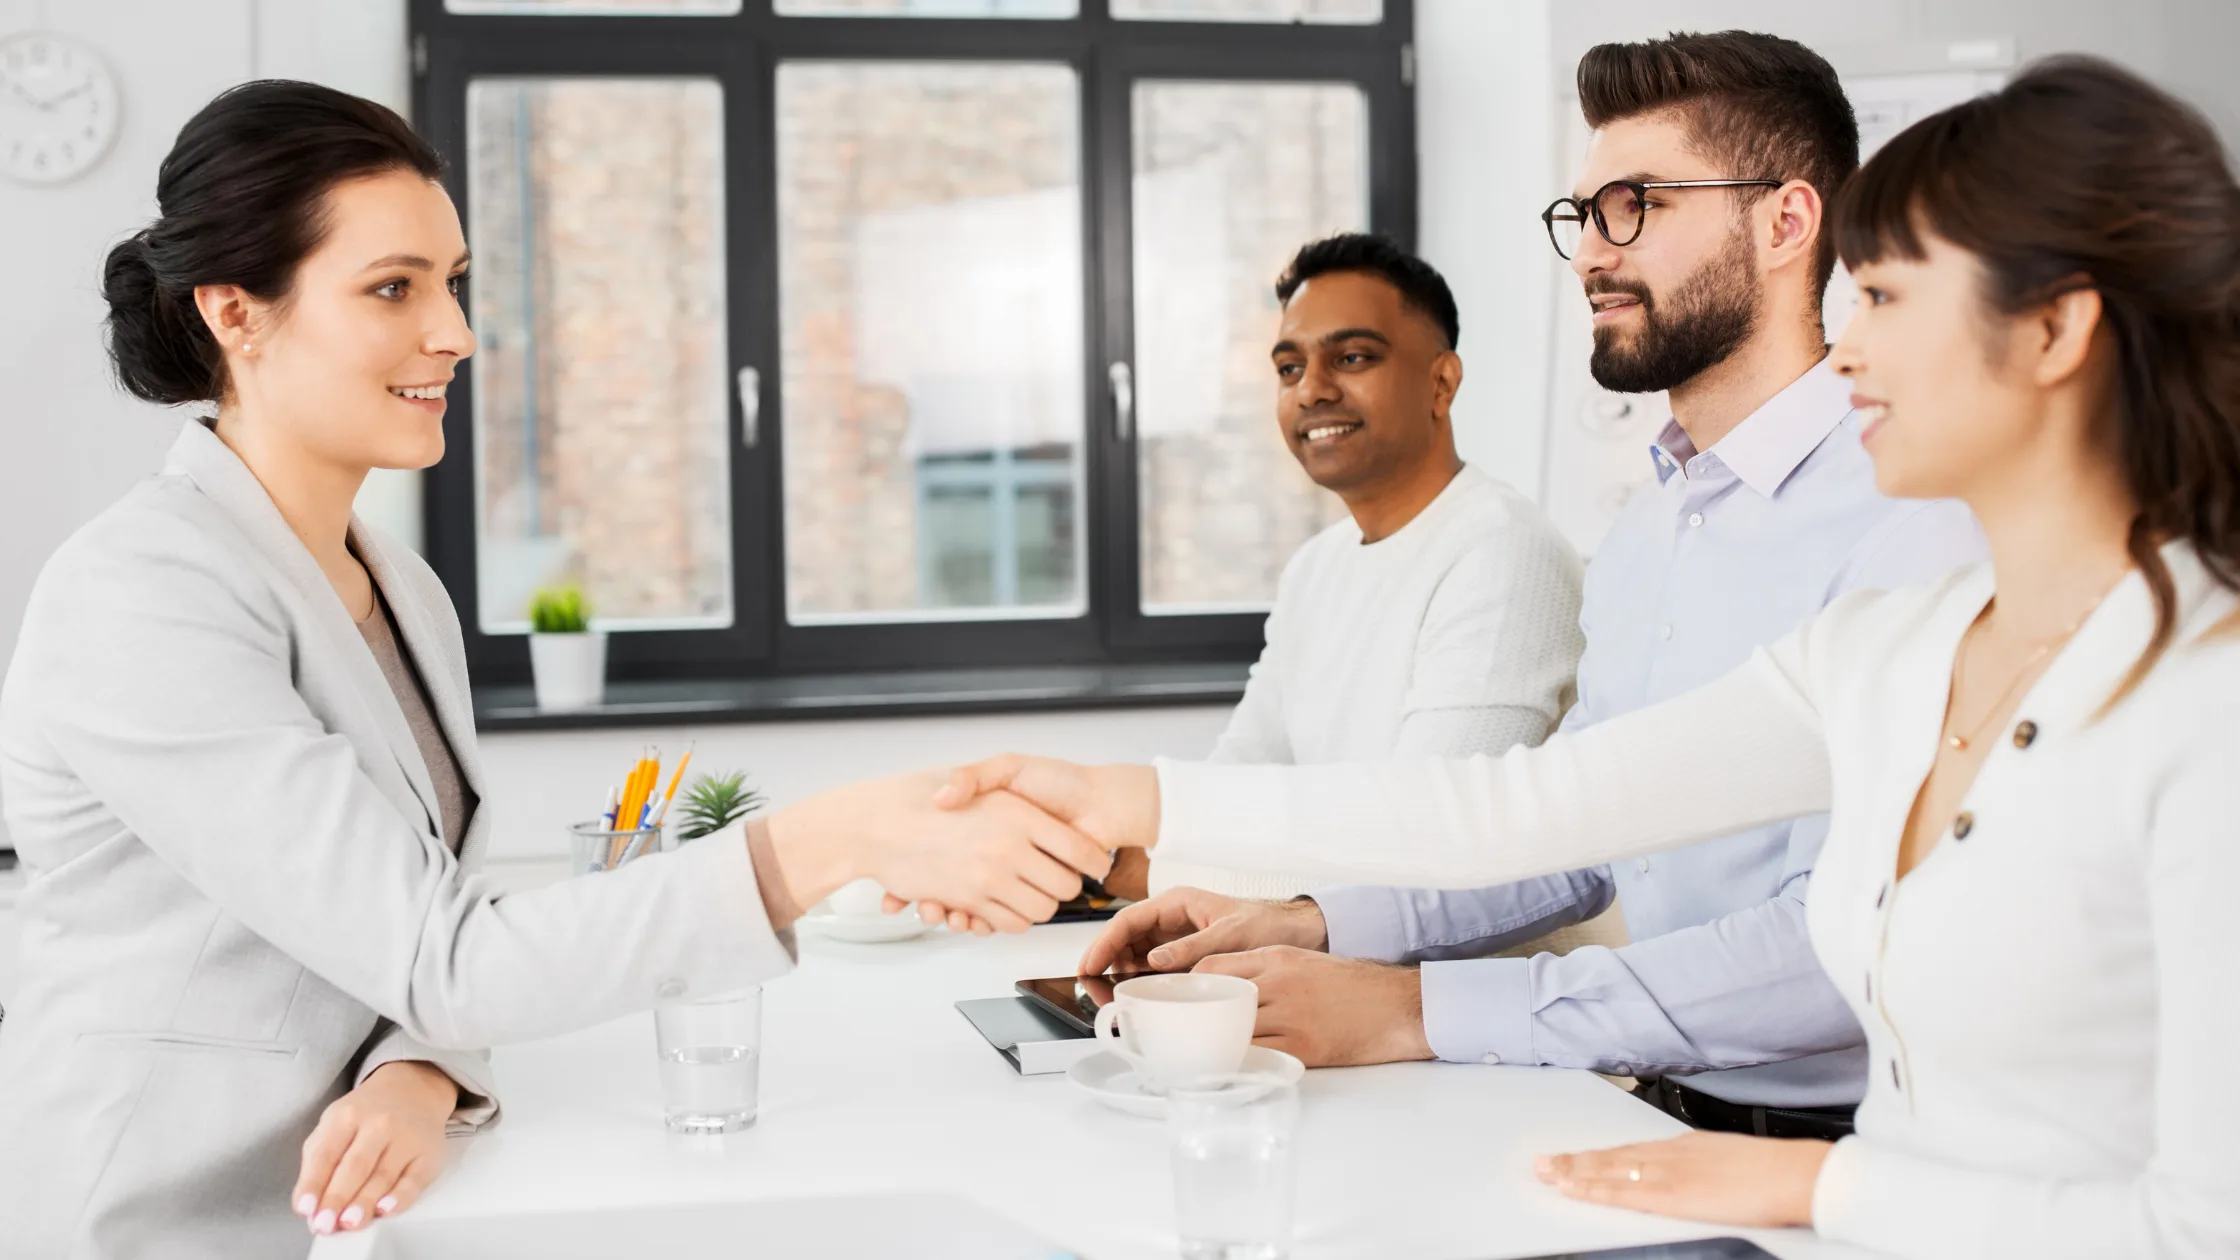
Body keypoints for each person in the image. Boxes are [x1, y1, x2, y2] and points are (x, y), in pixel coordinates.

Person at [935, 56, 2240, 1256]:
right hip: (1748, 1169)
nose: (1855, 342)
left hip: (1819, 1178)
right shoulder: (1883, 650)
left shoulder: (2186, 698)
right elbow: (1544, 808)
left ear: (2057, 332)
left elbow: (2184, 1213)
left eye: (1888, 295)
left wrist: (1804, 1186)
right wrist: (1172, 827)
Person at [0, 81, 1108, 1260]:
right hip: (161, 1217)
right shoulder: (141, 594)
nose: (456, 332)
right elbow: (451, 963)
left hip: (356, 1205)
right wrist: (834, 841)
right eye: (393, 287)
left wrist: (420, 1070)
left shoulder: (403, 592)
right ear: (237, 313)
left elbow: (431, 937)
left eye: (452, 280)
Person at [1060, 32, 1988, 1138]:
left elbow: (1828, 944)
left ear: (1785, 223)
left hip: (1842, 1140)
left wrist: (1414, 1006)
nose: (1591, 252)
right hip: (1637, 1100)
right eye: (1582, 213)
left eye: (1635, 204)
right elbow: (1573, 839)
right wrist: (1308, 924)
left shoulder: (1912, 521)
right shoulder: (1648, 534)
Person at [1100, 232, 1582, 904]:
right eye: (1289, 369)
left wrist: (1143, 871)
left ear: (1441, 382)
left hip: (1459, 991)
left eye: (1352, 357)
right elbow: (1241, 774)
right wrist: (1094, 842)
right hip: (1311, 960)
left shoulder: (1505, 553)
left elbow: (1423, 842)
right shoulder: (1315, 569)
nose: (1312, 391)